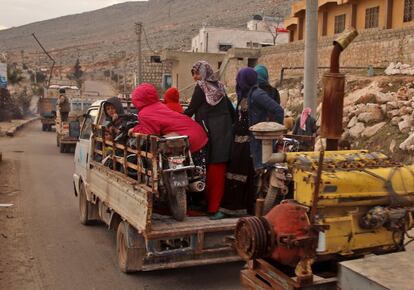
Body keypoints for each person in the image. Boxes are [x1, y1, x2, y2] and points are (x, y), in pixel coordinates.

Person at [219, 67, 284, 218]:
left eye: (239, 79)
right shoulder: (244, 94)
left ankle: (235, 209)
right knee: (236, 174)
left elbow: (277, 110)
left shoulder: (257, 94)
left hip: (249, 142)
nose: (237, 81)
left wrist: (274, 130)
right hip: (238, 142)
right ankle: (237, 209)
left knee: (240, 175)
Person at [184, 60, 235, 218]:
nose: (195, 77)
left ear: (204, 73)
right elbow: (230, 111)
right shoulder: (220, 87)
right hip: (223, 134)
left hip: (210, 135)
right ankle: (213, 206)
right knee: (218, 171)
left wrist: (175, 118)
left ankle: (213, 208)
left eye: (197, 73)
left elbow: (191, 109)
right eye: (193, 74)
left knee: (213, 172)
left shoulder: (201, 87)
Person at [130, 83, 207, 155]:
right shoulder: (160, 105)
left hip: (188, 141)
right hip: (199, 135)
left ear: (136, 99)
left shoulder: (144, 113)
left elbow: (150, 133)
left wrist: (134, 129)